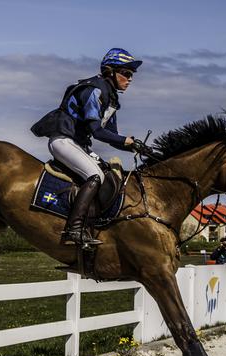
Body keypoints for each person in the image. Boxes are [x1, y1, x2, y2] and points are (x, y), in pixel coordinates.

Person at [31, 48, 153, 247]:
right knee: (94, 176)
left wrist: (134, 147)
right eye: (126, 73)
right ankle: (73, 229)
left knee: (107, 175)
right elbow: (96, 131)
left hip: (77, 144)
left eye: (131, 75)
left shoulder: (111, 97)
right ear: (109, 71)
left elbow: (111, 137)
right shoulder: (95, 90)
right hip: (63, 140)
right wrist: (125, 141)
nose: (130, 79)